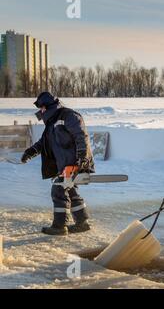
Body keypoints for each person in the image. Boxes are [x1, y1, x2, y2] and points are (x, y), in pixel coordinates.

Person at [21, 92, 95, 235]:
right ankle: (82, 222)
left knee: (58, 189)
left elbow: (81, 137)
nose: (40, 112)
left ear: (48, 106)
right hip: (65, 166)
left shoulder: (69, 116)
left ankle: (60, 226)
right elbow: (44, 143)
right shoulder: (51, 123)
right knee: (70, 190)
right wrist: (30, 152)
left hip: (77, 163)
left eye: (41, 108)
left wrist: (82, 159)